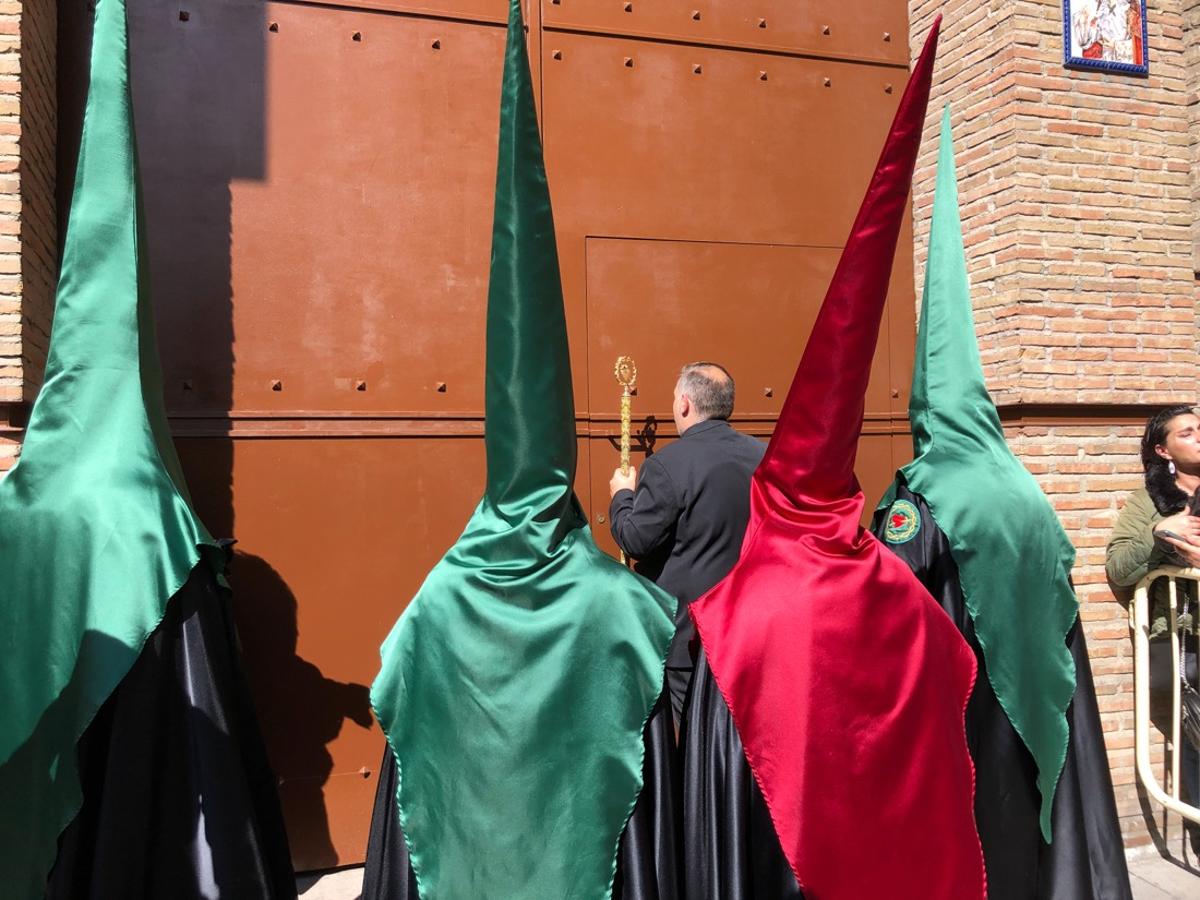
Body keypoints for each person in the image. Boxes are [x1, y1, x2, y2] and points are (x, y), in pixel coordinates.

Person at [609, 362, 764, 725]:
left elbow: (636, 539)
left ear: (683, 404)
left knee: (689, 745)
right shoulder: (763, 457)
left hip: (690, 637)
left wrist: (622, 497)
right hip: (751, 632)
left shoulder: (668, 464)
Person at [1106, 405, 1200, 851]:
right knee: (1194, 737)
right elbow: (1120, 567)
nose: (1199, 435)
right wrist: (1160, 532)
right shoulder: (1148, 499)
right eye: (1188, 432)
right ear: (1163, 449)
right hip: (1181, 637)